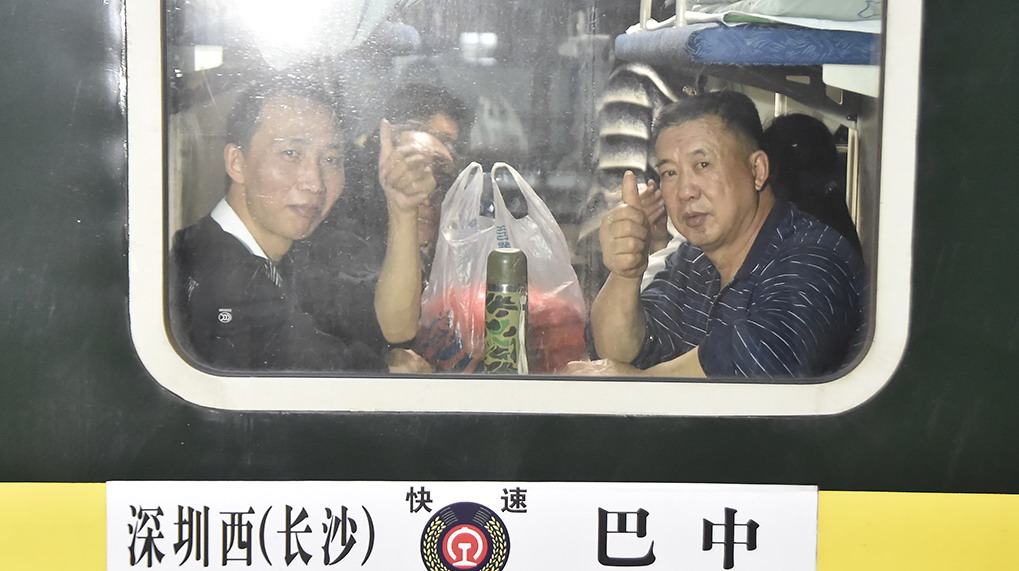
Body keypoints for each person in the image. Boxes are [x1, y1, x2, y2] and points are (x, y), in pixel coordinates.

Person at [567, 91, 866, 379]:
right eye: (670, 173)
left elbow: (761, 364)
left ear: (757, 170)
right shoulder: (694, 260)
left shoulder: (813, 260)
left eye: (703, 165)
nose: (685, 191)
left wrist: (639, 384)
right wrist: (625, 274)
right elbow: (622, 352)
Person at [169, 75, 433, 373]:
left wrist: (403, 208)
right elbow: (361, 380)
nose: (315, 183)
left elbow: (395, 327)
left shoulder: (293, 253)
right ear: (236, 162)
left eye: (331, 159)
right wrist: (390, 369)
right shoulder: (218, 279)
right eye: (291, 154)